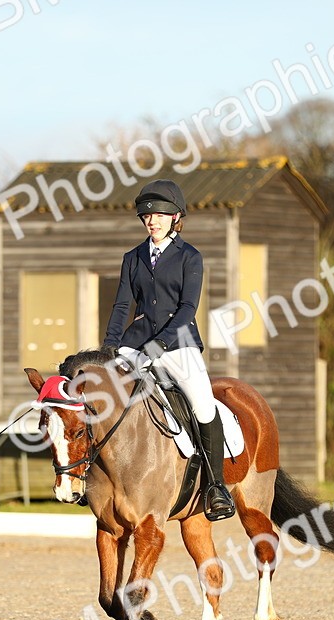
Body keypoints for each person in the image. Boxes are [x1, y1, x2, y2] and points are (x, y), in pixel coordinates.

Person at [101, 179, 236, 521]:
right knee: (103, 399)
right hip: (136, 344)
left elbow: (189, 306)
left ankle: (216, 487)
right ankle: (90, 477)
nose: (152, 221)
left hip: (178, 343)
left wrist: (161, 344)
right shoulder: (132, 258)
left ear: (176, 217)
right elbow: (121, 307)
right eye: (147, 216)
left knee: (204, 404)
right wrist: (110, 348)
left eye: (159, 215)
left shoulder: (190, 256)